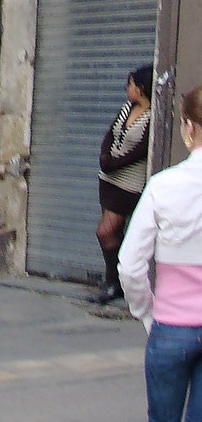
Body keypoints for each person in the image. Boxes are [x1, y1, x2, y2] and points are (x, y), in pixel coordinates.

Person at [119, 83, 202, 421]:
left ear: (190, 128)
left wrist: (146, 312)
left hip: (171, 328)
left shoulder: (163, 186)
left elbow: (130, 265)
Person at [92, 64, 152, 304]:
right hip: (108, 180)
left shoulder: (151, 117)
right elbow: (110, 134)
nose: (127, 89)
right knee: (114, 232)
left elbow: (142, 151)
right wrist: (105, 156)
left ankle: (116, 280)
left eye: (130, 84)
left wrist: (115, 164)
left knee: (105, 231)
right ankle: (117, 282)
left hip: (128, 183)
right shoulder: (127, 108)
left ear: (141, 88)